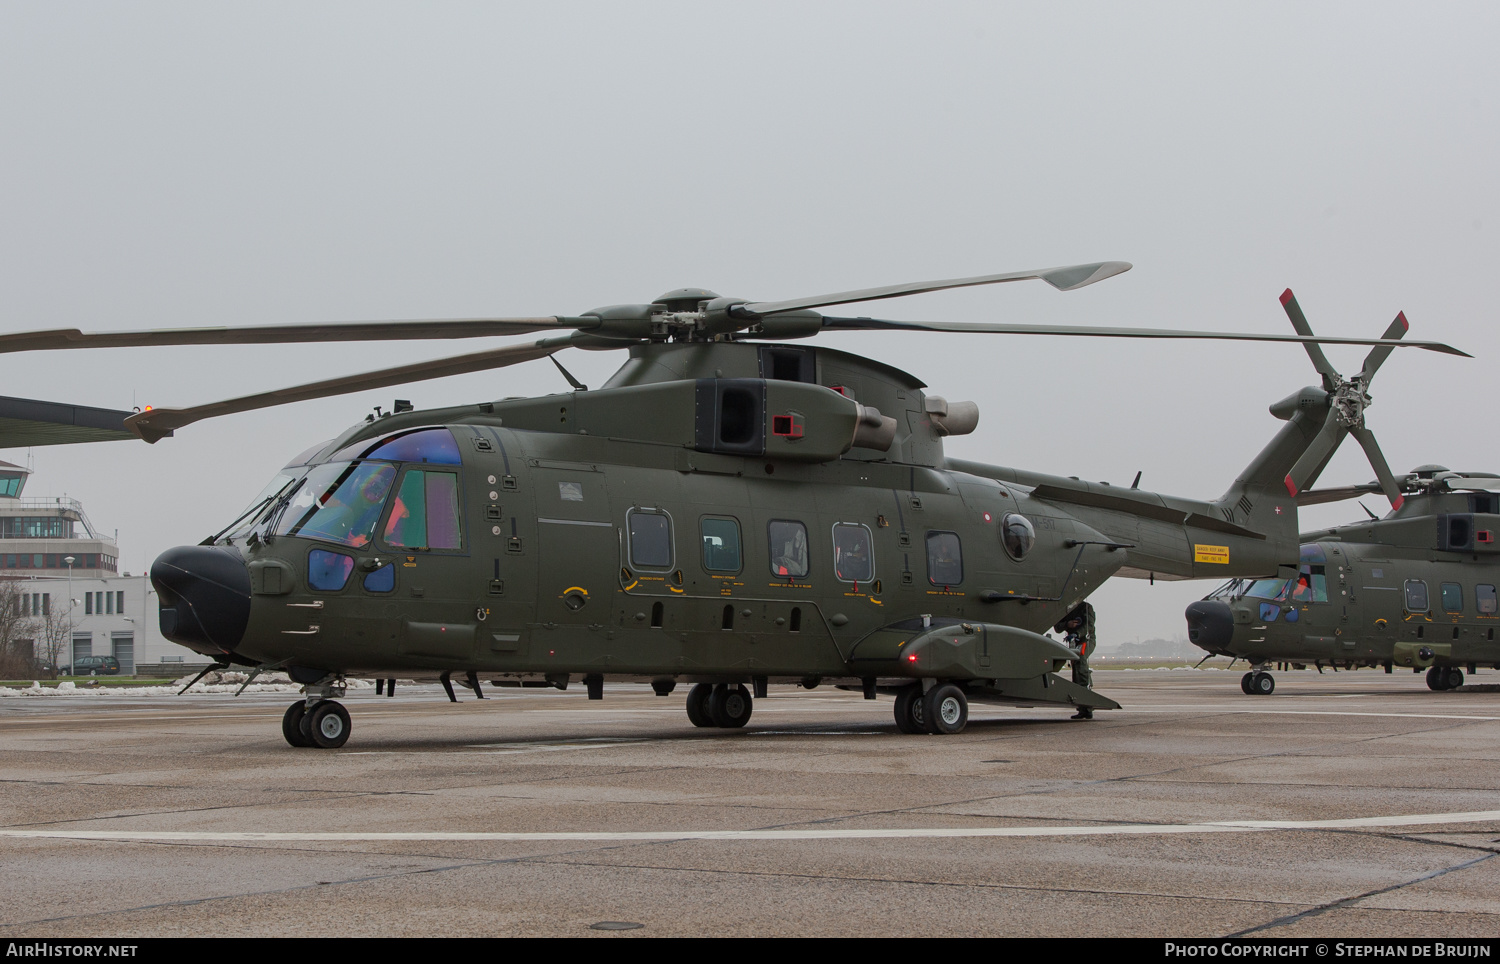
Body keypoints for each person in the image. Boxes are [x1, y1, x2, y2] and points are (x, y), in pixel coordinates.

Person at [1054, 602, 1096, 720]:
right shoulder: (1066, 608)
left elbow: (1089, 626)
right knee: (1076, 670)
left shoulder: (1085, 607)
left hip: (1086, 640)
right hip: (1074, 642)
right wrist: (1067, 624)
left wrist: (1077, 633)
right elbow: (1057, 627)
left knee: (1081, 663)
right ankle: (1082, 708)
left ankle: (1087, 706)